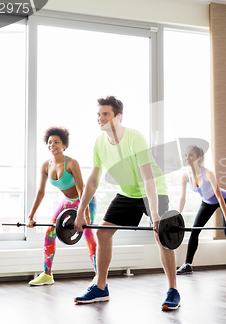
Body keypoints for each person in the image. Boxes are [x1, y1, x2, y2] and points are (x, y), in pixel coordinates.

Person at [73, 96, 180, 310]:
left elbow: (148, 179)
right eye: (98, 114)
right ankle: (101, 287)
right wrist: (80, 211)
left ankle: (173, 290)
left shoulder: (134, 138)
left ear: (118, 116)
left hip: (154, 190)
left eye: (105, 114)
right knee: (102, 233)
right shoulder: (99, 143)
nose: (100, 118)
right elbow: (92, 181)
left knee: (162, 236)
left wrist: (156, 214)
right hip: (128, 194)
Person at [26, 127, 97, 286]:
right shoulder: (46, 165)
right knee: (50, 232)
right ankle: (47, 274)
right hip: (67, 201)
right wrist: (30, 216)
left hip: (86, 200)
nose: (52, 145)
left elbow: (81, 190)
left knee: (87, 233)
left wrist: (84, 214)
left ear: (64, 145)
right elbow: (40, 192)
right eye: (50, 142)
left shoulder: (71, 163)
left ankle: (98, 275)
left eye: (56, 142)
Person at [176, 146, 226, 277]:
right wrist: (177, 216)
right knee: (195, 231)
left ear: (198, 157)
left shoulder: (208, 174)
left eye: (191, 155)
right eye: (186, 155)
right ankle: (188, 265)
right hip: (207, 202)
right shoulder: (185, 176)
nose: (187, 158)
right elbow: (182, 198)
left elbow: (219, 197)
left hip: (224, 200)